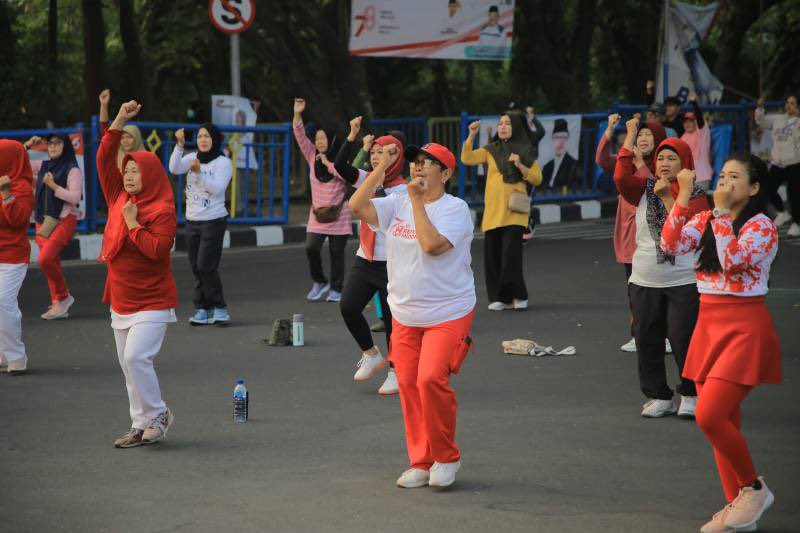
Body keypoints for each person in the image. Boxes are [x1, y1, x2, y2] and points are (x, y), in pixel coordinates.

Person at [660, 154, 779, 533]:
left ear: (755, 188)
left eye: (735, 176)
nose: (725, 182)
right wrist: (680, 198)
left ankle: (753, 489)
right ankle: (736, 511)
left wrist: (722, 216)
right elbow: (671, 243)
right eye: (722, 175)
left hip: (744, 327)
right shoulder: (707, 218)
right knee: (724, 421)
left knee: (709, 415)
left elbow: (732, 262)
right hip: (709, 325)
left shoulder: (763, 227)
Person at [350, 141, 476, 489]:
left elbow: (432, 246)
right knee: (407, 384)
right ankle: (421, 461)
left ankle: (447, 456)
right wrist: (381, 168)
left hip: (448, 311)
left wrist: (418, 201)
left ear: (446, 173)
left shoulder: (456, 209)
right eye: (416, 162)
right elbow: (356, 205)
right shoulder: (398, 201)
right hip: (405, 312)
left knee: (430, 380)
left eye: (429, 164)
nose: (419, 168)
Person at [614, 118, 709, 418]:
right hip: (644, 278)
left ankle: (691, 393)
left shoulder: (696, 195)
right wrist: (630, 134)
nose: (665, 162)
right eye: (662, 157)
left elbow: (681, 233)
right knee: (646, 337)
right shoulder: (643, 189)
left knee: (683, 338)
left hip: (682, 280)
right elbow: (620, 174)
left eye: (673, 158)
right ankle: (659, 395)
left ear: (686, 163)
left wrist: (672, 195)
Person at [98, 100, 177, 448]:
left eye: (135, 171)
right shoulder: (117, 196)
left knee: (136, 358)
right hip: (121, 297)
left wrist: (132, 224)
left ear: (151, 175)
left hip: (153, 300)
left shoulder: (162, 209)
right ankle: (140, 423)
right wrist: (117, 119)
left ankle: (159, 414)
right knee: (128, 368)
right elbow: (104, 158)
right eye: (126, 171)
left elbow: (157, 251)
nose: (128, 175)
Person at [333, 116, 407, 396]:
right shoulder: (367, 179)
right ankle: (371, 353)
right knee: (348, 306)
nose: (378, 158)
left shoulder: (404, 189)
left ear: (398, 157)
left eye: (386, 153)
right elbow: (340, 167)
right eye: (375, 152)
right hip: (366, 259)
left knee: (392, 323)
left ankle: (396, 371)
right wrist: (352, 136)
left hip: (392, 263)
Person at [596, 114, 672, 354]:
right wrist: (610, 131)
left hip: (655, 234)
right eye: (639, 135)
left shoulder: (665, 163)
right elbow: (603, 161)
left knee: (659, 288)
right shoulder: (626, 160)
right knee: (634, 288)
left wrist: (640, 164)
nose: (643, 139)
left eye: (648, 134)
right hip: (630, 234)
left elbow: (655, 190)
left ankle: (666, 335)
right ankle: (639, 333)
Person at [461, 112, 542, 311]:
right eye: (500, 124)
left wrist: (520, 165)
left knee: (510, 257)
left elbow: (537, 178)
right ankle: (500, 298)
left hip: (515, 211)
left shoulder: (525, 150)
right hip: (493, 212)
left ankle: (518, 295)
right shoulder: (491, 150)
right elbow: (467, 158)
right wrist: (471, 135)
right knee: (493, 257)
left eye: (507, 123)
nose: (503, 127)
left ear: (516, 126)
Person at [169, 124, 233, 326]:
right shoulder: (192, 157)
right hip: (193, 220)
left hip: (213, 220)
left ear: (215, 139)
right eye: (199, 137)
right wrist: (179, 146)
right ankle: (203, 309)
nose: (203, 140)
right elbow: (174, 168)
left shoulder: (223, 162)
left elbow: (217, 189)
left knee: (207, 265)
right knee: (196, 266)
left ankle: (220, 307)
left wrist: (199, 173)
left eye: (207, 136)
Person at [292, 98, 350, 303]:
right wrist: (298, 114)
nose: (319, 142)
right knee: (311, 247)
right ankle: (319, 281)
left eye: (323, 139)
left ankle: (336, 288)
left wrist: (328, 163)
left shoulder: (341, 157)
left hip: (339, 214)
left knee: (337, 253)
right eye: (317, 139)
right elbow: (299, 136)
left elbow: (347, 176)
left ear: (331, 139)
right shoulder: (311, 155)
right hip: (317, 213)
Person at [22, 134, 83, 319]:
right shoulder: (43, 165)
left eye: (57, 143)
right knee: (51, 262)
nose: (53, 146)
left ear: (65, 146)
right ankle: (58, 302)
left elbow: (74, 197)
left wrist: (53, 186)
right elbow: (19, 164)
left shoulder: (73, 170)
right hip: (44, 218)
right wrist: (26, 146)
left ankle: (63, 297)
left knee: (45, 259)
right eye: (50, 143)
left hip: (64, 219)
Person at [0, 140, 35, 374]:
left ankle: (17, 356)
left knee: (3, 303)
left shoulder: (21, 187)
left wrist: (6, 195)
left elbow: (18, 220)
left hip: (12, 257)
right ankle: (4, 355)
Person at [755, 95, 800, 236]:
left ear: (798, 106)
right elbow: (761, 122)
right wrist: (760, 108)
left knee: (795, 195)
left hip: (794, 163)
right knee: (768, 189)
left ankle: (796, 223)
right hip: (777, 164)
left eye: (792, 103)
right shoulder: (778, 119)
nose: (789, 105)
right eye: (787, 102)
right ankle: (782, 212)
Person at [98, 89, 145, 170]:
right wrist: (103, 105)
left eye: (129, 137)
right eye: (122, 138)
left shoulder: (147, 158)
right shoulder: (115, 154)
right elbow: (106, 131)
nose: (125, 141)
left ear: (137, 138)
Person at [681, 91, 713, 190]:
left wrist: (694, 102)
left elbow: (700, 120)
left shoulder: (702, 133)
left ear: (695, 122)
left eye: (691, 121)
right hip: (686, 178)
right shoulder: (682, 137)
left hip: (702, 177)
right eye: (685, 122)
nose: (688, 124)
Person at [541, 118, 579, 191]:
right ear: (552, 140)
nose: (561, 142)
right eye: (557, 137)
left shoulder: (572, 163)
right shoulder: (548, 165)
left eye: (564, 137)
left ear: (568, 139)